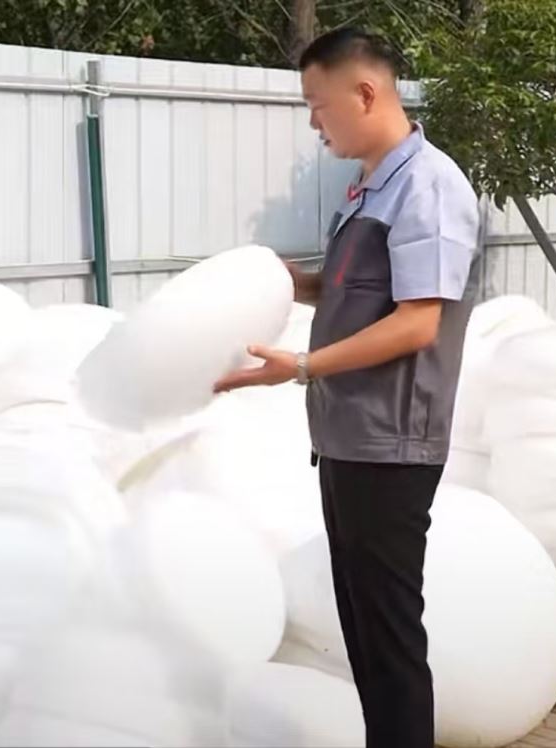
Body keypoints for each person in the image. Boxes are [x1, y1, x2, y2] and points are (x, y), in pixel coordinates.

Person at [213, 27, 481, 748]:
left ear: (364, 93)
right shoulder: (371, 186)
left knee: (388, 642)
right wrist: (282, 280)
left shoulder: (428, 187)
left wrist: (300, 366)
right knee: (364, 635)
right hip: (348, 440)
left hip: (391, 446)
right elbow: (353, 293)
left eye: (317, 104)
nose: (313, 122)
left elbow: (417, 322)